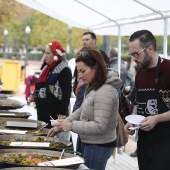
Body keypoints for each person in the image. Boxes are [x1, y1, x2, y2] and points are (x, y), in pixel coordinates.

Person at [47, 46, 123, 170]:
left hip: (99, 145)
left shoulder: (106, 90)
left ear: (96, 68)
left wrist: (72, 126)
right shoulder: (94, 84)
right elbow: (82, 109)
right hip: (91, 142)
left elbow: (100, 126)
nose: (79, 76)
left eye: (83, 71)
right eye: (78, 72)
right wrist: (64, 123)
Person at [125, 30, 170, 170]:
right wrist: (131, 120)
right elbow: (138, 101)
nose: (133, 59)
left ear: (150, 49)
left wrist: (156, 118)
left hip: (165, 142)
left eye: (136, 54)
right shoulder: (140, 73)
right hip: (144, 140)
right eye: (131, 54)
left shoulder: (167, 69)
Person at [29, 41, 72, 128]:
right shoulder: (46, 68)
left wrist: (62, 114)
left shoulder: (64, 69)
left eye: (48, 53)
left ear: (56, 55)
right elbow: (41, 86)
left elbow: (66, 94)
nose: (45, 56)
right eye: (45, 53)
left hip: (55, 114)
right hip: (43, 112)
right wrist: (34, 95)